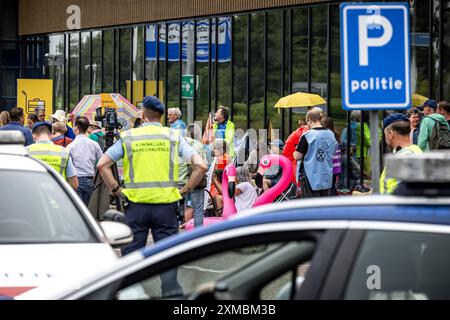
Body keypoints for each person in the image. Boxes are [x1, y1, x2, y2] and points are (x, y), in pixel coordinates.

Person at [97, 96, 207, 297]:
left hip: (135, 207)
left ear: (144, 114)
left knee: (131, 258)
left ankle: (131, 293)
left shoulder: (129, 137)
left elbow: (102, 165)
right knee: (167, 256)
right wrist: (186, 190)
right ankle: (171, 295)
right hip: (167, 207)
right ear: (162, 115)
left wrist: (115, 189)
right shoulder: (173, 137)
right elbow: (201, 166)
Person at [293, 109, 337, 198]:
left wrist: (295, 150)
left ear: (309, 120)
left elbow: (297, 156)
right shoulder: (331, 134)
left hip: (310, 176)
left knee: (310, 206)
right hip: (326, 175)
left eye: (307, 122)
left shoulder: (307, 136)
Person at [27, 122, 78, 190]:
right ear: (51, 135)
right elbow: (74, 184)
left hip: (34, 195)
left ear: (33, 136)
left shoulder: (25, 152)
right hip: (57, 196)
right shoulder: (64, 152)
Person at [380, 114, 422, 194]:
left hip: (391, 205)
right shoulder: (415, 149)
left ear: (390, 134)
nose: (385, 138)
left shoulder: (404, 157)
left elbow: (402, 192)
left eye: (385, 134)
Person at [67, 116, 104, 206]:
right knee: (85, 208)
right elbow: (102, 161)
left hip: (75, 179)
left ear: (76, 128)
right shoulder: (94, 144)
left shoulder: (71, 146)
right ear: (87, 128)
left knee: (76, 209)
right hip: (89, 180)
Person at [182, 124, 208, 228]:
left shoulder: (180, 144)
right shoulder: (199, 145)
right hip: (196, 181)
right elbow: (204, 164)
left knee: (180, 208)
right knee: (198, 209)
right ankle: (198, 235)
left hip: (181, 180)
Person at [283, 119, 309, 183]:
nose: (300, 123)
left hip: (298, 169)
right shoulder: (303, 134)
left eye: (301, 122)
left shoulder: (301, 134)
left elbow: (297, 156)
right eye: (299, 123)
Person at [210, 139, 231, 215]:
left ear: (220, 149)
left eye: (214, 148)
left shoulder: (222, 159)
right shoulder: (226, 157)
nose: (213, 150)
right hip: (223, 186)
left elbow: (216, 177)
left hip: (219, 187)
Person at [322, 116, 342, 194]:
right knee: (332, 185)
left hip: (329, 166)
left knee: (327, 187)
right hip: (336, 166)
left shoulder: (326, 137)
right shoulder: (335, 135)